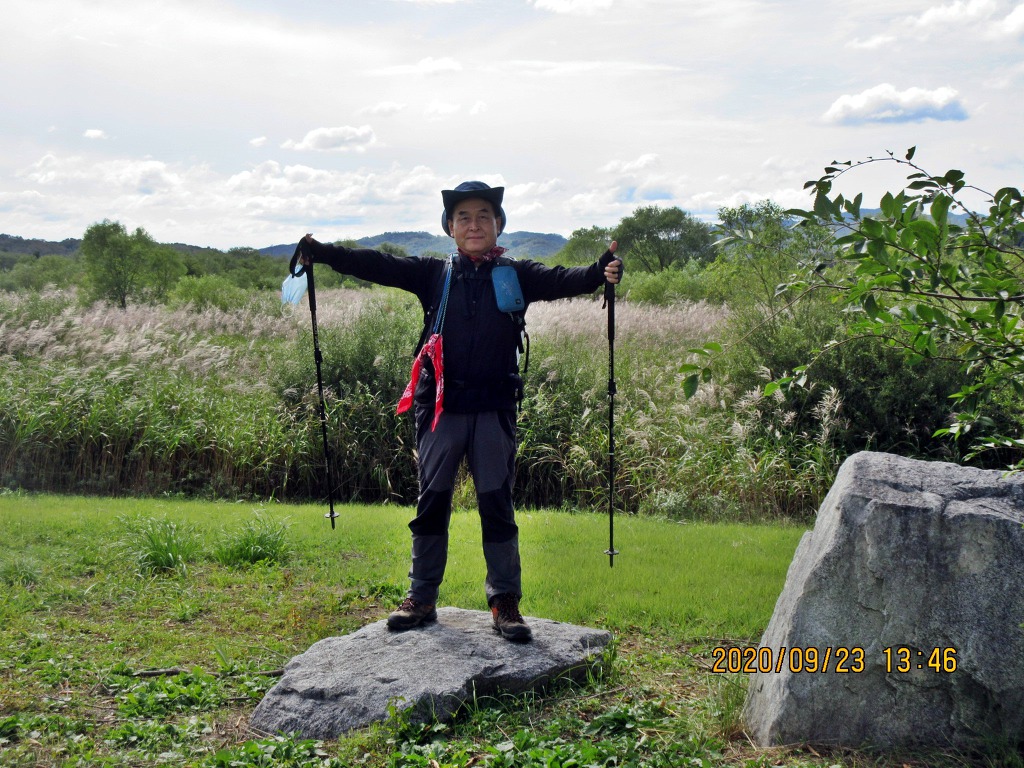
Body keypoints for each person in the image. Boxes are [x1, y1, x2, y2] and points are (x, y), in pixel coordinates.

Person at [300, 181, 622, 642]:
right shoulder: (434, 273)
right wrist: (323, 252)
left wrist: (601, 269)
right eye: (464, 217)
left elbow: (566, 279)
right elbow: (377, 264)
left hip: (493, 408)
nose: (474, 225)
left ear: (498, 225)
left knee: (497, 505)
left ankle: (505, 603)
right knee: (432, 503)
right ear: (450, 227)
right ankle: (421, 597)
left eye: (484, 216)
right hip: (440, 409)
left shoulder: (517, 274)